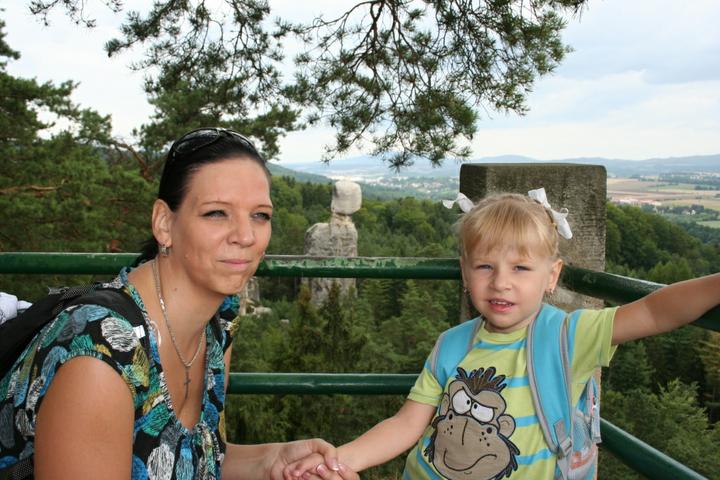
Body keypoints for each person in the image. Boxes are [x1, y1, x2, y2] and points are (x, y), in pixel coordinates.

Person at [0, 127, 359, 480]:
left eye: (260, 215)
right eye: (216, 213)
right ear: (164, 223)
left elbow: (187, 460)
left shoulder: (216, 325)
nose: (246, 236)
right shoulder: (101, 357)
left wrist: (272, 460)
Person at [284, 189, 719, 480]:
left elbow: (656, 311)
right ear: (465, 272)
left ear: (552, 276)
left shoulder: (569, 336)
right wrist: (339, 461)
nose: (501, 283)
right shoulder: (452, 343)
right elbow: (406, 424)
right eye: (485, 266)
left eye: (521, 268)